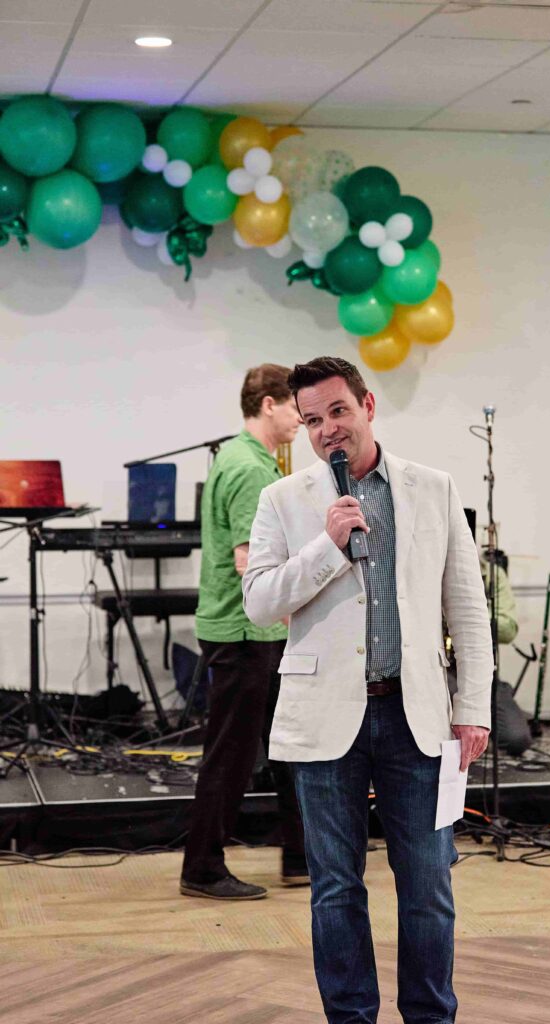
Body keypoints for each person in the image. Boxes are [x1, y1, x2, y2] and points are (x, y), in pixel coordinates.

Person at [243, 356, 493, 1022]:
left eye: (338, 411)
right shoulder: (282, 499)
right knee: (334, 890)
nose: (327, 429)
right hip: (325, 720)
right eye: (312, 419)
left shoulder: (432, 488)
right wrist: (326, 546)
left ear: (368, 406)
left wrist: (473, 709)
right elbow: (259, 603)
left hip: (417, 718)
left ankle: (430, 1017)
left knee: (429, 888)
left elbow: (467, 609)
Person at [180, 363, 307, 901]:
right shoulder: (251, 468)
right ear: (269, 404)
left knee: (289, 749)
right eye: (296, 407)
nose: (303, 418)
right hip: (245, 633)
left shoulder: (243, 458)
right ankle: (203, 869)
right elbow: (248, 560)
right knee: (232, 757)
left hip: (254, 632)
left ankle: (301, 856)